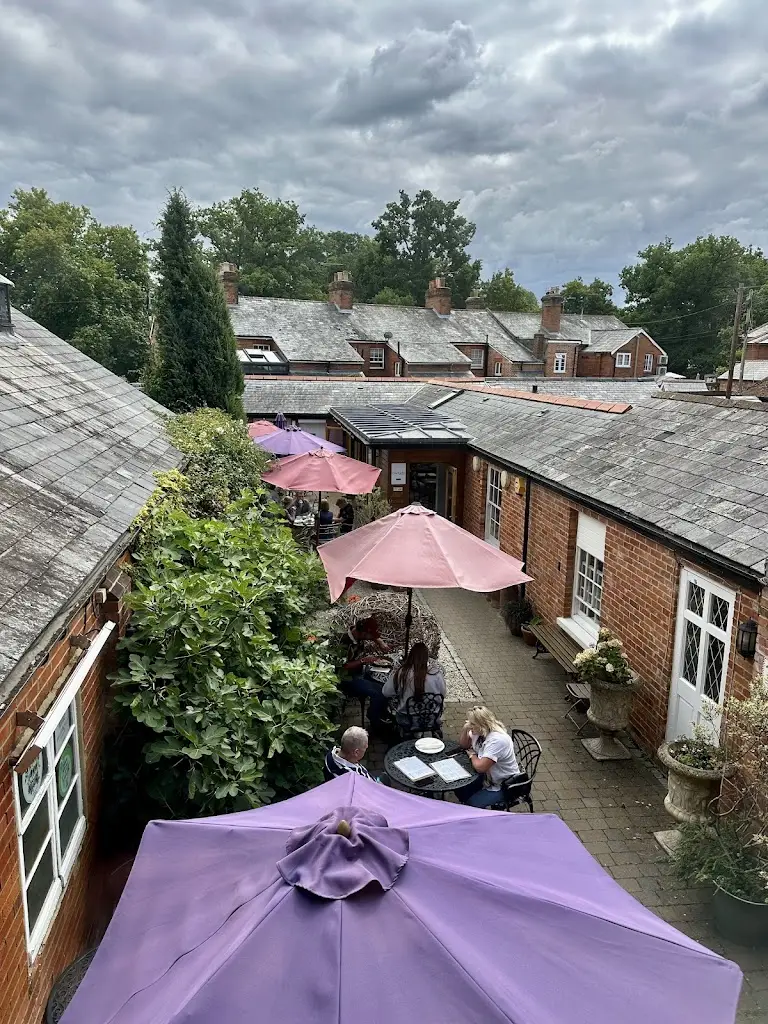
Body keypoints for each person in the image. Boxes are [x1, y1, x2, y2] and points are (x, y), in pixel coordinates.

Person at [457, 706, 521, 809]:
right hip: (486, 777)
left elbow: (480, 767)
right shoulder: (478, 730)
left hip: (503, 785)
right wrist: (465, 728)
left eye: (472, 724)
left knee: (471, 804)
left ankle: (478, 817)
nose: (470, 726)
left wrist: (472, 755)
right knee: (459, 788)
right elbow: (464, 745)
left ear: (482, 725)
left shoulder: (497, 740)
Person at [339, 616, 392, 730]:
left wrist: (380, 643)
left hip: (360, 671)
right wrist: (363, 660)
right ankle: (374, 719)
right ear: (363, 633)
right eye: (370, 635)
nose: (371, 638)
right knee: (378, 692)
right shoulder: (344, 643)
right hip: (347, 678)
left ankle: (381, 712)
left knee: (385, 684)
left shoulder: (357, 633)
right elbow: (343, 666)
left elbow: (372, 636)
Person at [382, 642, 446, 730]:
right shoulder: (436, 674)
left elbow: (386, 692)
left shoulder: (402, 673)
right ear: (427, 657)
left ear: (411, 656)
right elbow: (443, 694)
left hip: (407, 720)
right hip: (432, 719)